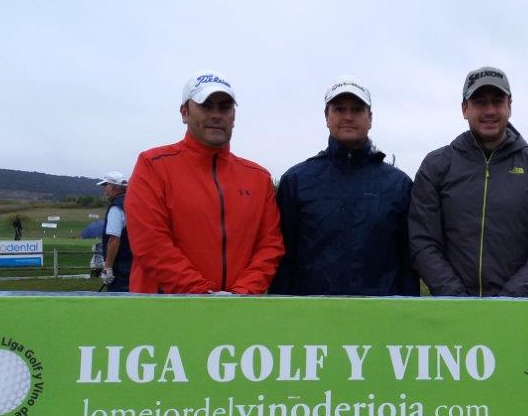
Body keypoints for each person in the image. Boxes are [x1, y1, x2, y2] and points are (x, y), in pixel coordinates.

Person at [408, 66, 528, 297]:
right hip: (452, 315)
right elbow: (422, 241)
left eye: (497, 101)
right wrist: (456, 298)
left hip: (516, 315)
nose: (490, 110)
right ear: (464, 109)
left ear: (509, 106)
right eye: (480, 102)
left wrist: (508, 300)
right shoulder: (436, 166)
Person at [125, 71, 283, 294]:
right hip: (164, 314)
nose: (216, 115)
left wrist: (242, 293)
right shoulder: (152, 165)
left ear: (234, 116)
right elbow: (150, 243)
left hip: (238, 313)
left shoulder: (258, 178)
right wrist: (200, 294)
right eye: (206, 106)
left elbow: (270, 246)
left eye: (225, 107)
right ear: (184, 112)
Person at [269, 77, 417, 297]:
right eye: (339, 109)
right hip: (312, 317)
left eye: (357, 109)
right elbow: (283, 261)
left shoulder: (399, 184)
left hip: (382, 318)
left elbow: (408, 264)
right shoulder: (297, 181)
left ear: (370, 118)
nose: (348, 117)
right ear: (327, 117)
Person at [97, 171, 132, 292]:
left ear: (113, 187)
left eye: (105, 186)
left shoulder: (116, 207)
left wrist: (108, 268)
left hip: (120, 267)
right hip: (132, 263)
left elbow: (114, 239)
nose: (104, 190)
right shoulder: (131, 203)